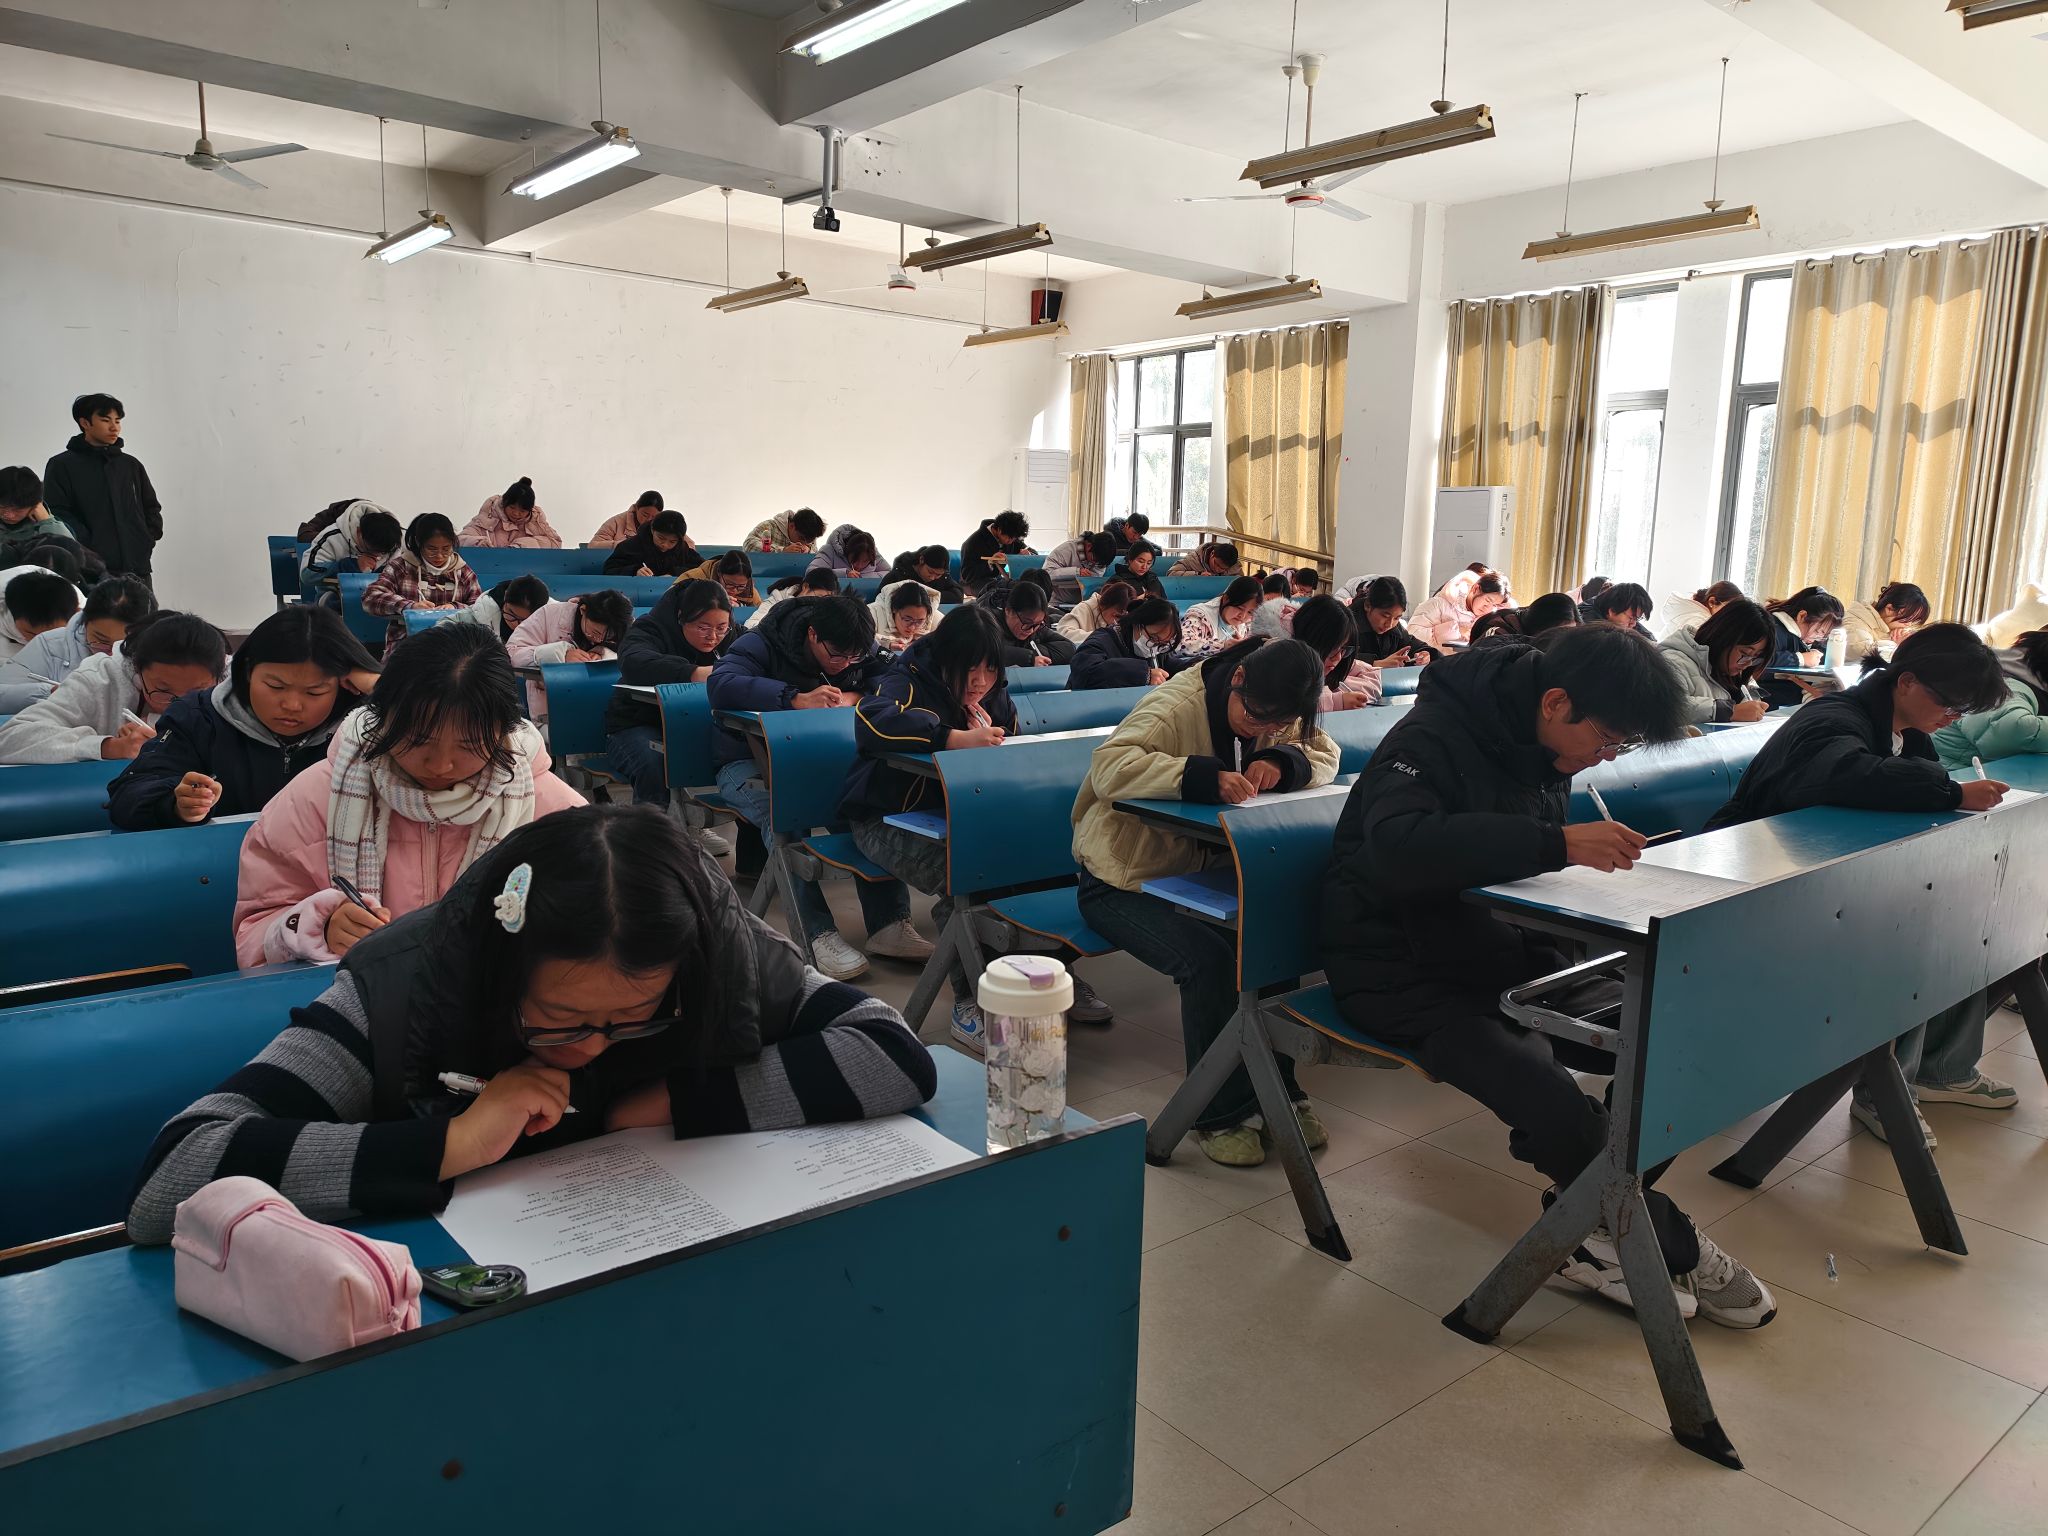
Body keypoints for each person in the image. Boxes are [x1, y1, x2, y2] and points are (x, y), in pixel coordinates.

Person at [127, 805, 937, 1245]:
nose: (592, 1047)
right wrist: (453, 1142)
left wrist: (672, 1101)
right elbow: (177, 1173)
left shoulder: (723, 960)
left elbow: (892, 1051)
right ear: (499, 974)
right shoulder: (406, 990)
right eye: (559, 1022)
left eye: (632, 1020)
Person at [1322, 624, 1778, 1326]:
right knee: (1540, 1086)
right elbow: (1398, 848)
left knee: (1678, 1041)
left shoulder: (1546, 748)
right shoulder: (1430, 739)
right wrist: (1555, 843)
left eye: (1621, 746)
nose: (1605, 757)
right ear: (1555, 702)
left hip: (1504, 953)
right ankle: (1654, 1232)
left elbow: (1519, 871)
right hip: (1399, 968)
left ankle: (1588, 1218)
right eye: (1608, 740)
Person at [1707, 625, 2013, 1141]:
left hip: (1823, 878)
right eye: (1950, 704)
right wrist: (1951, 793)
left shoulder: (1908, 729)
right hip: (1759, 883)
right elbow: (1844, 775)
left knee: (1965, 921)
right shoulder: (1833, 716)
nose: (1953, 717)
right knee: (1912, 941)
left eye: (1963, 710)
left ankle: (1939, 1070)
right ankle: (1884, 1095)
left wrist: (1943, 791)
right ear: (1907, 682)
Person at [1075, 638, 1339, 1164]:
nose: (1263, 729)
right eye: (1256, 719)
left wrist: (1280, 760)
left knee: (1270, 944)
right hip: (1121, 881)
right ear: (1237, 679)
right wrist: (1199, 777)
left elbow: (1324, 752)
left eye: (1279, 723)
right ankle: (1219, 1113)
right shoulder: (1174, 707)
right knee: (1209, 961)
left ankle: (1278, 1091)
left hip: (1201, 878)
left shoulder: (1275, 703)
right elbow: (1108, 768)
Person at [232, 622, 584, 970]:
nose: (441, 765)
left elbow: (588, 929)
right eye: (418, 740)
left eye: (469, 745)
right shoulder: (314, 798)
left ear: (504, 731)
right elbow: (252, 934)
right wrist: (319, 927)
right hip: (352, 994)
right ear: (383, 717)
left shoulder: (554, 813)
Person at [839, 607, 1109, 1047]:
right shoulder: (907, 678)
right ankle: (970, 1003)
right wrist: (950, 738)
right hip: (886, 818)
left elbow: (1013, 749)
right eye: (969, 670)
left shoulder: (993, 692)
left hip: (965, 819)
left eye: (990, 669)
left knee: (1043, 867)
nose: (980, 681)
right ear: (946, 658)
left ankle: (1050, 973)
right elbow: (872, 721)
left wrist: (996, 746)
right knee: (969, 879)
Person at [706, 591, 921, 979]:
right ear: (812, 635)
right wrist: (794, 699)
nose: (844, 665)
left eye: (854, 658)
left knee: (865, 804)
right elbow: (721, 684)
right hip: (748, 762)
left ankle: (889, 925)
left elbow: (893, 677)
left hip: (821, 761)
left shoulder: (855, 646)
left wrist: (857, 694)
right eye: (836, 656)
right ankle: (818, 935)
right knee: (785, 818)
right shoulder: (763, 641)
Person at [108, 606, 380, 830]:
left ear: (343, 685)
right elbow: (129, 793)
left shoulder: (365, 725)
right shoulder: (197, 718)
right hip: (220, 865)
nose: (292, 705)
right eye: (275, 686)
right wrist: (175, 804)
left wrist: (379, 687)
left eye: (314, 692)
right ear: (248, 671)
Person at [0, 610, 225, 764]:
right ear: (138, 669)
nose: (178, 706)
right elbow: (9, 739)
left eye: (197, 693)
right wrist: (110, 747)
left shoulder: (231, 686)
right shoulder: (98, 679)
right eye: (163, 690)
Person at [605, 578, 737, 809]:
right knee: (654, 763)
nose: (713, 637)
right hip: (636, 723)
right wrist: (693, 673)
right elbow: (633, 661)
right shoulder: (650, 628)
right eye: (703, 627)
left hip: (697, 723)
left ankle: (692, 824)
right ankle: (650, 828)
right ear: (681, 617)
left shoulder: (731, 635)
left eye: (721, 628)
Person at [42, 392, 161, 585]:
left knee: (144, 606)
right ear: (85, 423)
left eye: (118, 421)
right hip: (90, 570)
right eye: (106, 420)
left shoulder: (130, 465)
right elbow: (57, 511)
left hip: (138, 567)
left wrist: (146, 538)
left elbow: (151, 506)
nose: (114, 427)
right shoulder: (61, 465)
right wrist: (89, 544)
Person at [0, 573, 154, 712]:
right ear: (84, 621)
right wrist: (48, 692)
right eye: (101, 639)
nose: (111, 652)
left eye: (124, 645)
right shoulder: (51, 645)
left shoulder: (155, 654)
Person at [362, 512, 483, 659]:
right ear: (419, 543)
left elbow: (479, 608)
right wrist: (409, 606)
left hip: (452, 647)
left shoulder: (463, 572)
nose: (439, 556)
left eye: (446, 549)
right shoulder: (401, 567)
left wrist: (455, 607)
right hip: (407, 645)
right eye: (432, 549)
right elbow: (371, 598)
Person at [506, 589, 632, 726]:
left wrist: (604, 653)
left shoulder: (623, 627)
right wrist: (560, 654)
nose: (598, 640)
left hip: (602, 710)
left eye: (608, 637)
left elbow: (633, 656)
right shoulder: (550, 614)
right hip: (551, 713)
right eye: (594, 632)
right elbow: (511, 653)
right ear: (583, 610)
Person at [1933, 627, 2048, 770]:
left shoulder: (2005, 675)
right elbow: (2012, 731)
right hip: (1952, 773)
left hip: (1966, 771)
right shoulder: (2008, 685)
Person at [1657, 600, 1773, 725]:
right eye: (1745, 653)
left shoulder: (1736, 672)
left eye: (1756, 657)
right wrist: (1729, 711)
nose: (1748, 663)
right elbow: (1664, 707)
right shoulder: (1675, 662)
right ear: (1723, 638)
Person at [1071, 596, 1193, 690]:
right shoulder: (1103, 640)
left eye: (1163, 643)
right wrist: (1145, 674)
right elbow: (1085, 672)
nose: (1156, 647)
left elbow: (1170, 665)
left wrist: (1196, 667)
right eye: (1153, 637)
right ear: (1137, 623)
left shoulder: (1157, 649)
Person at [1291, 593, 1382, 711]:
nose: (1338, 657)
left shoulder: (1339, 658)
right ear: (1310, 639)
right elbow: (1288, 701)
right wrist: (1336, 701)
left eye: (1343, 648)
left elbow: (1372, 675)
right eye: (1332, 648)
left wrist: (1337, 689)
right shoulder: (1280, 662)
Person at [1760, 586, 1846, 707]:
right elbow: (1761, 659)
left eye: (1824, 635)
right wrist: (1800, 659)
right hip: (1769, 702)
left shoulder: (1806, 638)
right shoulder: (1774, 629)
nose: (1818, 638)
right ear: (1802, 616)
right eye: (1818, 631)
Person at [301, 500, 403, 601]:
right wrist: (352, 565)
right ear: (358, 532)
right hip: (335, 596)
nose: (376, 556)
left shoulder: (397, 542)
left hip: (381, 598)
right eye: (370, 549)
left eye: (383, 552)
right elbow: (307, 574)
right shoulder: (332, 537)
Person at [1408, 567, 1506, 651]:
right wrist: (1456, 631)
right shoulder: (1439, 604)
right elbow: (1412, 635)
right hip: (1436, 664)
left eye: (1495, 605)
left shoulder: (1488, 620)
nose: (1488, 608)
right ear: (1475, 589)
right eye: (1488, 600)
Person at [1347, 576, 1436, 666]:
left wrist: (1425, 654)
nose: (1389, 624)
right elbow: (1340, 658)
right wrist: (1375, 664)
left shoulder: (1394, 628)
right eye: (1385, 616)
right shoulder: (1345, 623)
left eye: (1397, 618)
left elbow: (1413, 645)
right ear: (1368, 606)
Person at [0, 465, 77, 561]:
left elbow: (74, 559)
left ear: (34, 505)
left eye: (17, 510)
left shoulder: (54, 528)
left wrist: (47, 521)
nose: (9, 515)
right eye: (2, 508)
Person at [460, 476, 562, 549]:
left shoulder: (536, 523)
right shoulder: (487, 518)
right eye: (512, 508)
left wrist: (522, 546)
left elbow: (555, 543)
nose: (516, 513)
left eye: (522, 511)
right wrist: (478, 543)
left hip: (524, 572)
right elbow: (458, 540)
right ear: (504, 503)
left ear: (530, 510)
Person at [0, 569, 78, 662]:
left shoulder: (86, 621)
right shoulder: (7, 615)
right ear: (12, 614)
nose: (42, 641)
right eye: (31, 634)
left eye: (52, 633)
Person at [1843, 581, 1931, 660]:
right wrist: (1897, 645)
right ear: (1889, 609)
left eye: (1913, 621)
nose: (1908, 625)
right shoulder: (1855, 624)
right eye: (1907, 619)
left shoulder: (1886, 627)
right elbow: (1864, 657)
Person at [995, 581, 1074, 668]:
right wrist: (1029, 659)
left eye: (1038, 624)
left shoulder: (1036, 626)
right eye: (1026, 623)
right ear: (1009, 611)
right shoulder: (988, 624)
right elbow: (988, 651)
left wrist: (1036, 653)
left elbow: (1069, 648)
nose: (1031, 630)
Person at [1179, 575, 1264, 656]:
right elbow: (1181, 644)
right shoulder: (1200, 616)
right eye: (1239, 608)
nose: (1242, 616)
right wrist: (1223, 646)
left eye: (1250, 612)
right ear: (1226, 599)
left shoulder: (1247, 623)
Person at [602, 509, 696, 578]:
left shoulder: (682, 549)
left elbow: (701, 568)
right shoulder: (631, 546)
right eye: (661, 538)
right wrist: (635, 571)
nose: (665, 545)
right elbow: (609, 569)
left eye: (672, 541)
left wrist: (674, 573)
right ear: (652, 530)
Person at [961, 511, 1031, 593]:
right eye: (1010, 538)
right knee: (1004, 592)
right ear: (999, 530)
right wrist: (989, 563)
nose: (1011, 542)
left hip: (997, 580)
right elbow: (967, 575)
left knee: (1026, 587)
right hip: (974, 583)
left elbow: (1030, 550)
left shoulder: (1011, 534)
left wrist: (1027, 553)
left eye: (1014, 539)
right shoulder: (973, 542)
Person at [747, 567, 839, 629]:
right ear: (805, 587)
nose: (820, 603)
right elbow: (751, 625)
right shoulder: (778, 598)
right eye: (819, 597)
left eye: (827, 600)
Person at [466, 574, 550, 643]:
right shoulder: (471, 619)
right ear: (505, 596)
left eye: (525, 620)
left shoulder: (552, 618)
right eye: (512, 613)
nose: (516, 625)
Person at [1043, 531, 1118, 603]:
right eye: (1094, 559)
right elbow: (1046, 575)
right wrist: (1076, 572)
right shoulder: (1065, 550)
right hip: (1057, 602)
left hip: (1084, 603)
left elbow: (1093, 585)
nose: (1094, 564)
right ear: (1089, 546)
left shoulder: (1100, 560)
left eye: (1099, 565)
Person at [870, 578, 939, 652]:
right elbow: (862, 638)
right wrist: (885, 644)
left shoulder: (932, 617)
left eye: (919, 621)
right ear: (894, 609)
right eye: (907, 620)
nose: (912, 628)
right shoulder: (872, 612)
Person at [1056, 579, 1134, 644]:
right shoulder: (1084, 608)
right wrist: (1102, 637)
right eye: (1116, 616)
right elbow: (1064, 634)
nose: (1116, 622)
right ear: (1104, 605)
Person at [807, 524, 890, 581]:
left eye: (866, 561)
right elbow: (811, 572)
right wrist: (844, 574)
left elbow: (890, 574)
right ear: (847, 551)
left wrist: (863, 577)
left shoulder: (872, 553)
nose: (859, 566)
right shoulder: (829, 550)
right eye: (855, 560)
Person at [681, 549, 763, 607]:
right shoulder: (693, 578)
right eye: (730, 584)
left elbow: (761, 613)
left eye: (741, 586)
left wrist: (740, 606)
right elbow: (675, 599)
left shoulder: (749, 591)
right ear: (719, 573)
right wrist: (712, 601)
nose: (734, 590)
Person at [885, 544, 963, 604]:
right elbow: (883, 598)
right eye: (930, 572)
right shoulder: (899, 573)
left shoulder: (943, 576)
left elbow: (958, 595)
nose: (932, 578)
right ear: (921, 560)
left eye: (938, 575)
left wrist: (930, 597)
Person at [589, 491, 670, 548]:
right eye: (645, 515)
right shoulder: (616, 522)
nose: (648, 520)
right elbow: (593, 545)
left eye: (654, 517)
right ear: (636, 507)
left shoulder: (664, 525)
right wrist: (623, 545)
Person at [1662, 579, 1743, 634]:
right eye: (1729, 609)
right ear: (1712, 602)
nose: (1732, 616)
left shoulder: (1693, 614)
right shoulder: (1699, 622)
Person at [743, 506, 826, 554]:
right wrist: (783, 550)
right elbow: (749, 544)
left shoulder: (809, 534)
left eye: (808, 542)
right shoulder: (768, 526)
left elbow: (816, 554)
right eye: (801, 538)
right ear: (792, 526)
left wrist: (808, 550)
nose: (802, 544)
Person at [1588, 582, 1655, 637]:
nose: (1633, 624)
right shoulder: (1589, 632)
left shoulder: (1621, 623)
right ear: (1612, 611)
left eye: (1637, 619)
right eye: (1631, 618)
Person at [1169, 539, 1241, 579]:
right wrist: (1197, 574)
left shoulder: (1234, 567)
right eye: (1216, 564)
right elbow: (1171, 573)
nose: (1217, 569)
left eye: (1223, 568)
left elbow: (1241, 582)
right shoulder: (1192, 559)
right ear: (1212, 553)